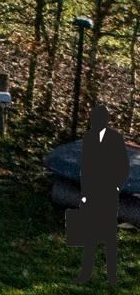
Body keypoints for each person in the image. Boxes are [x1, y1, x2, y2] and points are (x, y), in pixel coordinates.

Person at [72, 102, 128, 286]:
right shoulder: (88, 138)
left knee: (109, 236)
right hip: (92, 193)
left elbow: (123, 166)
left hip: (109, 193)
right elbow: (85, 168)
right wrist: (84, 192)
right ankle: (86, 273)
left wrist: (116, 187)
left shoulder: (115, 139)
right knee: (90, 236)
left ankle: (112, 276)